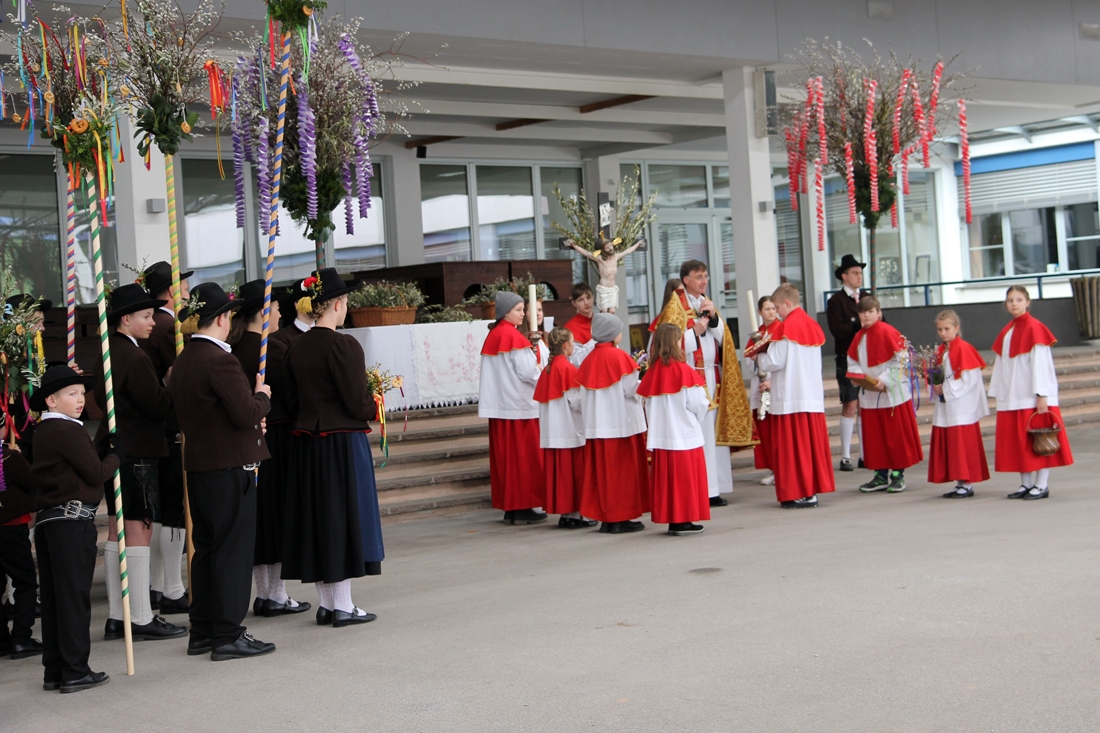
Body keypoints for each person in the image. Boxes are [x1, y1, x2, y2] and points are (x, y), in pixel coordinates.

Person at [169, 282, 276, 660]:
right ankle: (228, 633)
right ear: (221, 319)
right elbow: (245, 412)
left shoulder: (185, 359)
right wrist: (262, 397)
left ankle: (204, 630)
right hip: (228, 470)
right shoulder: (220, 360)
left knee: (207, 551)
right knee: (231, 553)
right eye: (230, 315)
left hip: (201, 467)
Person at [282, 269, 384, 627]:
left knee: (319, 519)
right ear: (337, 305)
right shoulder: (344, 345)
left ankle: (328, 603)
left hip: (307, 445)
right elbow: (357, 402)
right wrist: (375, 401)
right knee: (343, 518)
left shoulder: (296, 345)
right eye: (346, 303)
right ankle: (343, 605)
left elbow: (291, 400)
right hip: (341, 443)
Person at [94, 284, 187, 642]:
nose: (152, 322)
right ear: (125, 319)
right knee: (138, 529)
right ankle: (141, 616)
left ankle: (119, 616)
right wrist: (170, 384)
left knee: (118, 528)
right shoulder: (135, 357)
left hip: (118, 448)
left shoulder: (108, 351)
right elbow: (156, 405)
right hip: (137, 452)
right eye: (146, 316)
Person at [31, 365, 119, 692]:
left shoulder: (45, 430)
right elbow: (95, 473)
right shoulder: (67, 429)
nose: (80, 399)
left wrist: (101, 448)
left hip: (50, 522)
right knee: (72, 599)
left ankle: (55, 670)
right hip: (71, 522)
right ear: (51, 400)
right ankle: (75, 670)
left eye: (82, 393)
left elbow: (77, 465)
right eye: (72, 394)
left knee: (56, 599)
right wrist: (116, 457)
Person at [651, 260, 755, 507]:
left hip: (712, 375)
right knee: (701, 434)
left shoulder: (706, 303)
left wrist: (715, 319)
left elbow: (724, 340)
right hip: (690, 377)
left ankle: (715, 487)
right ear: (686, 280)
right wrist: (694, 332)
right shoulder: (675, 308)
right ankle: (703, 489)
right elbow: (667, 346)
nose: (704, 280)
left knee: (713, 434)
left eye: (706, 276)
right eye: (699, 276)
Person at [255, 281, 314, 617]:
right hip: (278, 435)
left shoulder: (275, 342)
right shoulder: (276, 344)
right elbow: (291, 394)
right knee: (275, 515)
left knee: (270, 516)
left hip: (278, 433)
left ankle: (270, 593)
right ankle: (272, 594)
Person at [138, 260, 192, 617]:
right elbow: (181, 372)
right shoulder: (168, 326)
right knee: (172, 510)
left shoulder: (155, 324)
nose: (186, 292)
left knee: (161, 512)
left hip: (155, 425)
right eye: (182, 287)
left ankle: (159, 586)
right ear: (171, 291)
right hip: (169, 424)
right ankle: (171, 588)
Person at [753, 284, 836, 508]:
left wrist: (759, 356)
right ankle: (810, 491)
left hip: (790, 397)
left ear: (787, 303)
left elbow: (774, 361)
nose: (777, 312)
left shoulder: (786, 327)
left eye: (777, 307)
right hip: (810, 396)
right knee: (808, 450)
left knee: (793, 452)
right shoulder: (811, 324)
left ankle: (799, 492)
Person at [989, 286, 1074, 500]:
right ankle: (1026, 484)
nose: (1014, 304)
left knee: (1040, 440)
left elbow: (1041, 364)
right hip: (1013, 395)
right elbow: (1002, 365)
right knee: (1020, 443)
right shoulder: (1006, 332)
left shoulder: (1036, 328)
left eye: (1019, 299)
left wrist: (1042, 394)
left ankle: (1042, 484)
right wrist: (1000, 392)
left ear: (1027, 302)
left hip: (1032, 395)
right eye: (1010, 300)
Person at [478, 291, 547, 525]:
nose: (523, 314)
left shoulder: (494, 335)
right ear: (506, 312)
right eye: (518, 309)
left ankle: (511, 507)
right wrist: (544, 374)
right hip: (519, 408)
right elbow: (528, 373)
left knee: (507, 461)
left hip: (501, 408)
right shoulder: (513, 336)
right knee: (524, 460)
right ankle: (523, 506)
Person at [576, 313, 649, 533]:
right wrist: (645, 383)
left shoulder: (588, 360)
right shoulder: (619, 357)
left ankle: (608, 519)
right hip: (620, 426)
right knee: (622, 476)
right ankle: (620, 518)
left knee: (604, 477)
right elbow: (630, 390)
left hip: (597, 428)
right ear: (612, 334)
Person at [846, 296, 923, 493]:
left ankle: (897, 475)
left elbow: (902, 361)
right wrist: (858, 376)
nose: (866, 315)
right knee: (876, 438)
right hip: (870, 395)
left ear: (878, 313)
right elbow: (852, 361)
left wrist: (884, 380)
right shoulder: (859, 337)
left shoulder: (889, 332)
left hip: (891, 394)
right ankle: (880, 475)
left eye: (870, 311)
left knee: (895, 436)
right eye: (862, 312)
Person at [638, 323, 710, 535]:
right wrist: (699, 415)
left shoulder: (652, 372)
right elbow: (698, 402)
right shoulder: (683, 370)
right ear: (675, 342)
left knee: (669, 482)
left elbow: (646, 404)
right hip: (684, 434)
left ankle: (672, 519)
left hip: (662, 437)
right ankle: (683, 521)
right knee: (686, 482)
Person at [533, 328, 594, 529]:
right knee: (574, 474)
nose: (574, 345)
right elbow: (577, 402)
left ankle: (566, 514)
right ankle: (576, 514)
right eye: (573, 342)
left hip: (553, 432)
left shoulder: (547, 370)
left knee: (561, 476)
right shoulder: (568, 369)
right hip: (569, 431)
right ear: (566, 345)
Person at [928, 310, 990, 498]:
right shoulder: (941, 351)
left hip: (962, 405)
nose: (943, 333)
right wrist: (935, 385)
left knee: (962, 443)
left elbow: (969, 379)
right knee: (952, 444)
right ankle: (959, 482)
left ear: (957, 328)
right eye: (940, 329)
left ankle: (967, 483)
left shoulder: (964, 348)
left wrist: (946, 389)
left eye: (947, 329)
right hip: (947, 404)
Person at [0, 416, 41, 660]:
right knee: (25, 582)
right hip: (11, 528)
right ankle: (21, 639)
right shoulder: (9, 457)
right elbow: (32, 481)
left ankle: (2, 640)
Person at [826, 254, 870, 472]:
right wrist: (858, 324)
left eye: (860, 273)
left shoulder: (867, 298)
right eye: (854, 273)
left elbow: (881, 321)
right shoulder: (836, 301)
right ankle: (845, 455)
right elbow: (837, 330)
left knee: (864, 405)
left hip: (868, 358)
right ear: (844, 276)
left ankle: (864, 454)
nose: (859, 276)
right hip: (848, 358)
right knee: (850, 404)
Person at [747, 296, 781, 487]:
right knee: (765, 431)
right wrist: (754, 357)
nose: (771, 312)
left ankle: (781, 468)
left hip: (775, 383)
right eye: (767, 309)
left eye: (773, 308)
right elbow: (749, 357)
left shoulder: (780, 329)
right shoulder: (758, 333)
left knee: (776, 430)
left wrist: (771, 381)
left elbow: (781, 360)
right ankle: (773, 468)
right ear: (759, 312)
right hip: (759, 386)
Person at [567, 233, 643, 314]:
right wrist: (574, 245)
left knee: (612, 311)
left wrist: (637, 244)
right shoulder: (600, 259)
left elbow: (627, 251)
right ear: (603, 250)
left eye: (610, 246)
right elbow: (586, 253)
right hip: (604, 289)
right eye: (607, 247)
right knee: (604, 311)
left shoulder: (616, 257)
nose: (610, 248)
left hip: (613, 288)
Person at [563, 282, 597, 366]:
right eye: (581, 300)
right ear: (574, 303)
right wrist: (597, 338)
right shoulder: (569, 328)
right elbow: (575, 360)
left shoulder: (601, 321)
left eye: (588, 297)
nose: (586, 303)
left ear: (593, 297)